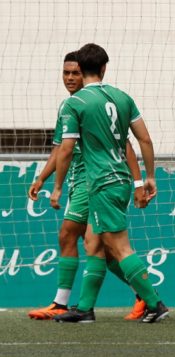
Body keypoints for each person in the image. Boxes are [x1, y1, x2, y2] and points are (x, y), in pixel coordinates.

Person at [50, 43, 168, 323]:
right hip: (120, 180)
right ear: (104, 68)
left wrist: (56, 186)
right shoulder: (122, 97)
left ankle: (155, 303)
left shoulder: (74, 103)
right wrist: (148, 178)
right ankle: (85, 309)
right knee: (94, 243)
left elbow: (65, 149)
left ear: (82, 68)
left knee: (120, 247)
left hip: (102, 183)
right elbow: (144, 140)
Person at [27, 52, 146, 321]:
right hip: (81, 181)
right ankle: (143, 294)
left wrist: (139, 181)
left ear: (87, 73)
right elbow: (60, 148)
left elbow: (124, 146)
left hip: (92, 182)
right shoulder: (69, 106)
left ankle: (63, 303)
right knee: (101, 246)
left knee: (70, 235)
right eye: (66, 73)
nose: (70, 78)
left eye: (75, 73)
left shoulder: (95, 104)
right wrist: (42, 178)